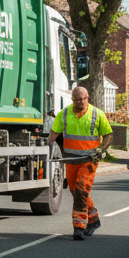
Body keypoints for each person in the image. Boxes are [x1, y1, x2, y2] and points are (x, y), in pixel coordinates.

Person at [49, 85, 113, 241]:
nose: (81, 102)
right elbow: (53, 135)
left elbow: (109, 135)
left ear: (88, 97)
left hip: (89, 160)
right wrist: (48, 151)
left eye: (84, 99)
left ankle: (79, 227)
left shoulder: (97, 114)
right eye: (78, 100)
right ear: (72, 100)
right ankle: (94, 219)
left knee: (81, 190)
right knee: (76, 192)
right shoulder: (64, 115)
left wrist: (100, 149)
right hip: (71, 160)